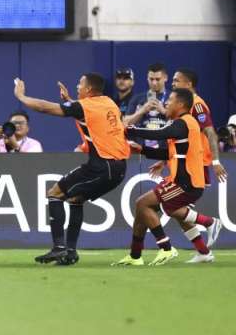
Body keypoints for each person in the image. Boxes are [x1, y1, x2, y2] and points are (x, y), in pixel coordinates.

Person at [14, 73, 129, 266]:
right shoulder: (109, 102)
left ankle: (59, 247)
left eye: (80, 84)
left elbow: (45, 108)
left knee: (54, 194)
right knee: (76, 199)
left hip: (102, 166)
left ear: (89, 89)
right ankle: (70, 252)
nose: (77, 86)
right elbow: (90, 114)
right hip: (119, 168)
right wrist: (70, 101)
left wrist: (21, 97)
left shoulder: (84, 106)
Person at [113, 88, 223, 266]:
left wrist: (130, 130)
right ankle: (135, 256)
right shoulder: (183, 124)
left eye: (170, 100)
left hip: (185, 183)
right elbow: (168, 153)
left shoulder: (184, 122)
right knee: (144, 209)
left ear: (180, 104)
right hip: (181, 181)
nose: (166, 103)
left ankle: (168, 247)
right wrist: (143, 149)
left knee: (143, 204)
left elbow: (159, 134)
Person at [124, 62, 169, 148]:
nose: (154, 83)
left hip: (164, 149)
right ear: (147, 78)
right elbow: (125, 123)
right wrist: (142, 110)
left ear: (165, 78)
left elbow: (181, 124)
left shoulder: (172, 97)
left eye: (158, 79)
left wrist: (164, 111)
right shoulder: (137, 98)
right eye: (151, 79)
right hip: (142, 149)